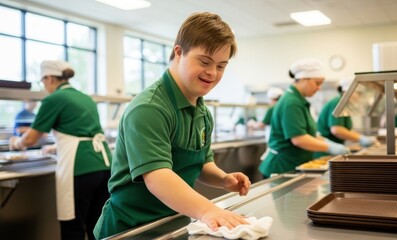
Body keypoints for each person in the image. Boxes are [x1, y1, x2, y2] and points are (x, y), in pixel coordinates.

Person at [93, 12, 251, 239]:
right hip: (131, 228)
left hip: (173, 223)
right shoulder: (149, 108)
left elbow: (201, 162)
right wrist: (208, 210)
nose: (212, 73)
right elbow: (158, 177)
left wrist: (223, 179)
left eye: (221, 66)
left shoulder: (202, 111)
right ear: (179, 52)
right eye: (205, 62)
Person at [9, 60, 112, 240]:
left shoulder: (54, 98)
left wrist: (16, 142)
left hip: (80, 167)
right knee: (97, 225)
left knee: (73, 226)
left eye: (43, 82)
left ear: (49, 78)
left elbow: (32, 138)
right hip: (103, 165)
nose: (44, 86)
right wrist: (56, 146)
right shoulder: (84, 97)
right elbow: (83, 132)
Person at [258, 58, 350, 178]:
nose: (318, 88)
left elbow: (307, 134)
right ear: (302, 79)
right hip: (282, 167)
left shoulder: (298, 100)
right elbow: (299, 139)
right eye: (317, 83)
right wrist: (331, 147)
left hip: (292, 164)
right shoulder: (291, 103)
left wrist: (325, 141)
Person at [315, 76, 377, 158]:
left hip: (333, 150)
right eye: (358, 93)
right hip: (325, 151)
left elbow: (346, 129)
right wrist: (361, 138)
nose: (359, 97)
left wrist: (360, 137)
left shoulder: (345, 105)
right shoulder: (337, 103)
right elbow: (336, 130)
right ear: (347, 92)